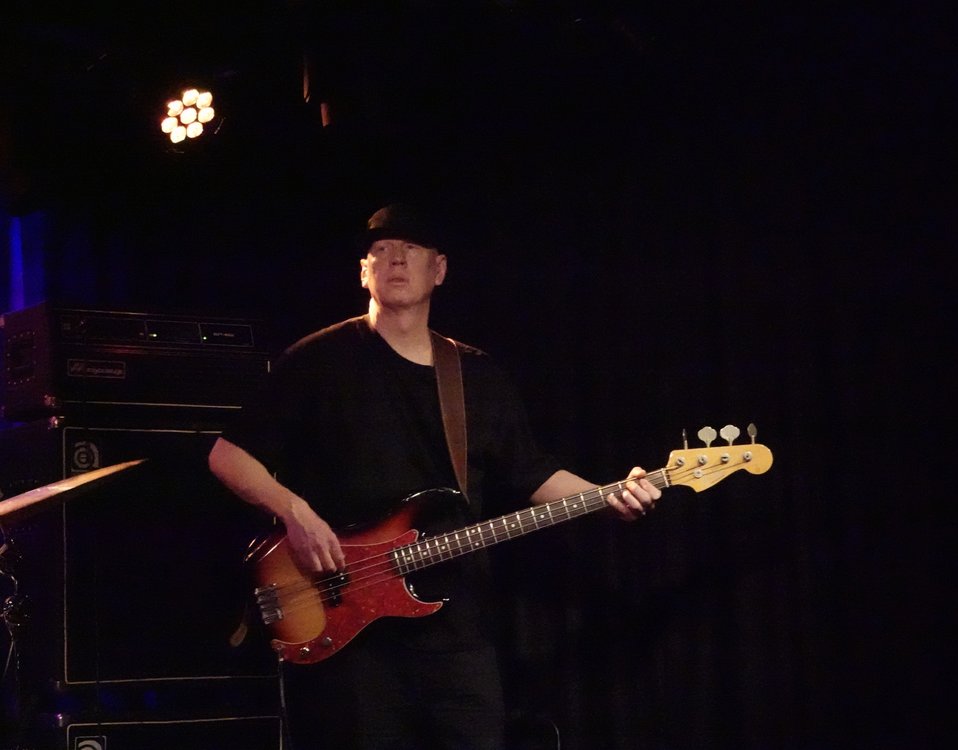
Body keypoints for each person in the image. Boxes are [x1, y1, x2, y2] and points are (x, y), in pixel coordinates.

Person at [207, 202, 662, 750]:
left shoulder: (475, 374)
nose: (395, 259)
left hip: (455, 631)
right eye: (380, 250)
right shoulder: (317, 361)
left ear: (439, 269)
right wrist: (296, 513)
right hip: (346, 625)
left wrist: (609, 496)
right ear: (364, 272)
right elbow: (227, 457)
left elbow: (531, 471)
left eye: (411, 248)